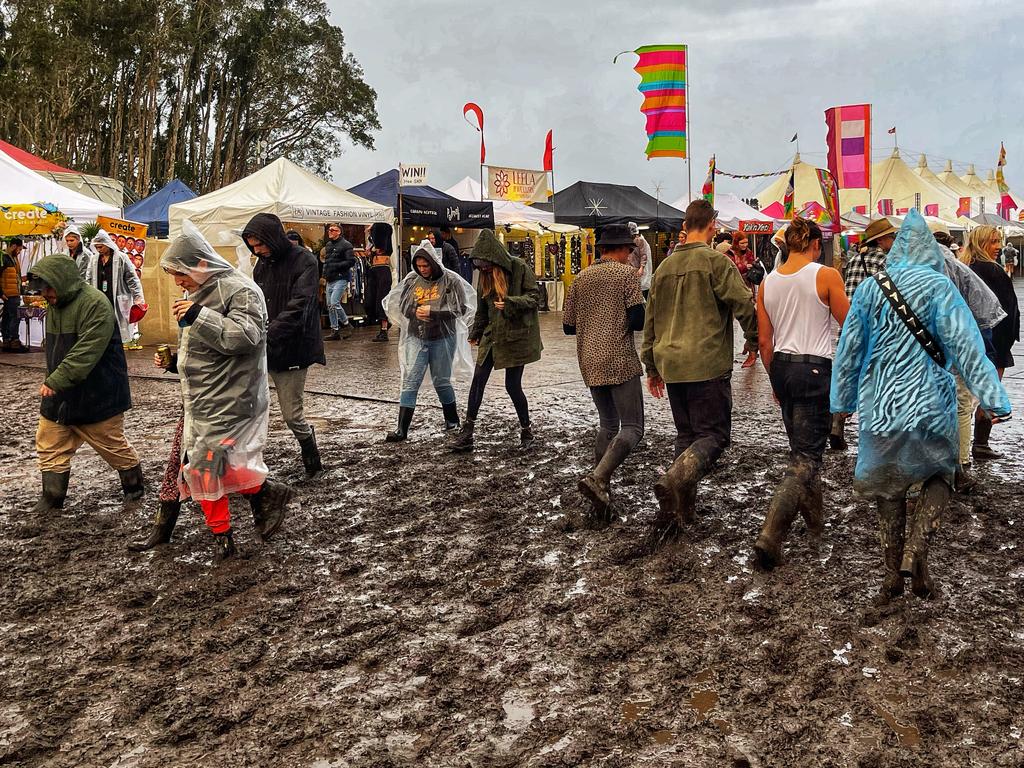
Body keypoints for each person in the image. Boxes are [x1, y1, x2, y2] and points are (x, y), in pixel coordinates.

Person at [832, 211, 1010, 602]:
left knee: (888, 487)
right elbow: (967, 349)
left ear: (895, 250)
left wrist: (840, 406)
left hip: (881, 405)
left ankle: (891, 575)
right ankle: (917, 548)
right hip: (931, 403)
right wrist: (995, 398)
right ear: (930, 250)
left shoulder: (869, 290)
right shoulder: (940, 287)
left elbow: (848, 353)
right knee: (941, 475)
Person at [159, 222, 294, 561]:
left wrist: (198, 317)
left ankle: (228, 535)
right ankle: (256, 503)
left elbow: (245, 337)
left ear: (199, 264)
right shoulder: (198, 295)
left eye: (180, 273)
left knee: (204, 467)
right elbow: (204, 351)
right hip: (203, 400)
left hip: (232, 400)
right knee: (210, 467)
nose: (177, 282)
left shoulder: (240, 291)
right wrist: (174, 361)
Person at [642, 199, 758, 529]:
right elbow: (744, 305)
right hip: (705, 362)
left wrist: (651, 365)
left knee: (687, 435)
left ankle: (682, 512)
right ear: (711, 226)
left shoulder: (663, 269)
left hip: (672, 363)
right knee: (714, 436)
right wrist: (753, 342)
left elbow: (651, 320)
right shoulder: (715, 263)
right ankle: (675, 479)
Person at [751, 218, 850, 570]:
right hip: (814, 368)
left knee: (803, 452)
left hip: (782, 367)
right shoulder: (825, 276)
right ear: (812, 243)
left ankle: (815, 525)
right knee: (806, 458)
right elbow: (849, 326)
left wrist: (774, 380)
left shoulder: (768, 282)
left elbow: (764, 340)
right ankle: (770, 534)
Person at [25, 254, 145, 513]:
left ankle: (134, 488)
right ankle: (51, 498)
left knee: (111, 444)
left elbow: (87, 349)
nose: (45, 295)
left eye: (48, 289)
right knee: (49, 443)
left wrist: (56, 380)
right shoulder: (56, 305)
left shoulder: (95, 304)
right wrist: (56, 381)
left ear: (63, 282)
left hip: (98, 390)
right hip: (61, 393)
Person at [563, 224, 646, 520]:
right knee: (633, 427)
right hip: (619, 358)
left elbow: (568, 326)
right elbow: (638, 320)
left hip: (589, 358)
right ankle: (599, 478)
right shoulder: (625, 275)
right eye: (628, 251)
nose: (629, 256)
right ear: (621, 249)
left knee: (608, 424)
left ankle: (602, 489)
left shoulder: (581, 278)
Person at [243, 213, 325, 477]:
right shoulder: (261, 265)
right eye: (253, 247)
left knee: (291, 415)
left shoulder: (305, 260)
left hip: (294, 347)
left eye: (260, 245)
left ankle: (313, 462)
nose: (257, 251)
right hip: (264, 346)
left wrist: (270, 332)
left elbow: (300, 305)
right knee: (247, 409)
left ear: (273, 237)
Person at [450, 229, 542, 452]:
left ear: (494, 259)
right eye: (480, 267)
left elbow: (534, 297)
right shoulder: (484, 276)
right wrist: (475, 334)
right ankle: (467, 433)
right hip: (493, 337)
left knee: (513, 386)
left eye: (486, 265)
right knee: (478, 381)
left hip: (515, 336)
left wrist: (510, 302)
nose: (484, 270)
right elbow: (482, 310)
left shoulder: (519, 267)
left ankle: (526, 431)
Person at [930, 229, 1006, 491]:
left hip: (938, 351)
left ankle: (945, 461)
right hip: (964, 347)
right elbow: (993, 313)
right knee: (963, 403)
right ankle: (962, 461)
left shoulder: (955, 270)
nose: (997, 246)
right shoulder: (974, 272)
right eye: (993, 241)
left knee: (942, 404)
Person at [381, 240, 476, 441]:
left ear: (434, 263)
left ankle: (452, 420)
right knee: (410, 380)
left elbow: (461, 309)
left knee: (441, 379)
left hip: (443, 337)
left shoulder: (451, 280)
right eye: (419, 266)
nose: (423, 270)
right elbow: (403, 307)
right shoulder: (411, 281)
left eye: (426, 266)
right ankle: (402, 429)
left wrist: (435, 312)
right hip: (417, 336)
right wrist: (415, 311)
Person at [830, 217, 899, 451]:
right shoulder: (886, 261)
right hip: (876, 331)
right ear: (881, 240)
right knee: (876, 382)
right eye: (891, 236)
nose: (894, 240)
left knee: (847, 378)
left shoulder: (854, 260)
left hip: (850, 327)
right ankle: (874, 434)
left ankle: (837, 424)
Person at [960, 225, 1021, 461]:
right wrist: (1005, 344)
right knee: (989, 390)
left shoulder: (966, 268)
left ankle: (969, 445)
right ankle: (981, 444)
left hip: (972, 340)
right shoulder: (992, 271)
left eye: (999, 241)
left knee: (966, 395)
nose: (997, 247)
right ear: (980, 243)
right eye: (993, 242)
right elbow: (1003, 310)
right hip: (993, 343)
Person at [82, 228, 146, 349]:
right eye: (97, 247)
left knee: (117, 327)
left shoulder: (121, 258)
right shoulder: (94, 260)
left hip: (117, 298)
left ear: (107, 245)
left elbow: (132, 279)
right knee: (101, 325)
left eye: (101, 247)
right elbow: (88, 279)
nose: (99, 249)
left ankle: (117, 347)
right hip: (100, 299)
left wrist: (138, 298)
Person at [726, 232, 759, 368]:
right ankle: (747, 345)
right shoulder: (729, 254)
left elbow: (752, 264)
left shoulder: (749, 252)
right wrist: (745, 267)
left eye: (746, 243)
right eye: (742, 243)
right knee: (734, 319)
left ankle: (752, 350)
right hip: (734, 289)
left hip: (748, 288)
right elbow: (732, 269)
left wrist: (753, 266)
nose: (745, 246)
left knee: (750, 319)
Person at [321, 223, 355, 340]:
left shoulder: (346, 245)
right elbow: (326, 261)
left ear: (339, 232)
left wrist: (335, 266)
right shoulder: (329, 245)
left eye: (332, 230)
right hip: (331, 278)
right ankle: (334, 330)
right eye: (329, 230)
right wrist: (324, 275)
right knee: (330, 305)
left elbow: (351, 261)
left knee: (334, 303)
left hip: (341, 277)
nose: (330, 231)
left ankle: (346, 324)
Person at [365, 222, 394, 342]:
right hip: (374, 271)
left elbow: (387, 228)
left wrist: (374, 226)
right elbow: (368, 251)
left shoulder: (385, 246)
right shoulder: (372, 243)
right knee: (369, 300)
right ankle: (384, 323)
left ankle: (383, 330)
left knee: (381, 300)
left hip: (383, 271)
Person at [2, 237, 28, 352]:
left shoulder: (13, 258)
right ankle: (14, 341)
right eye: (19, 249)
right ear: (13, 246)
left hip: (13, 292)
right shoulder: (4, 258)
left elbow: (15, 277)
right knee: (15, 316)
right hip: (9, 293)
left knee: (8, 317)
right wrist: (1, 293)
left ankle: (7, 341)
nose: (19, 252)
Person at [626, 221, 651, 299]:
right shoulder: (627, 241)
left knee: (639, 292)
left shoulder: (640, 240)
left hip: (637, 268)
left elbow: (644, 255)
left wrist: (642, 268)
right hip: (629, 268)